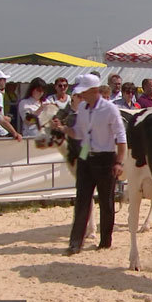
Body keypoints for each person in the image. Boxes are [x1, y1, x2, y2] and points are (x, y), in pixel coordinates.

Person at [52, 74, 127, 255]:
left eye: (83, 92)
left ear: (94, 91)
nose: (80, 96)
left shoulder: (110, 109)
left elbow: (121, 137)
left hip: (105, 158)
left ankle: (105, 241)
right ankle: (75, 242)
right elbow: (78, 133)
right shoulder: (83, 109)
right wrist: (62, 129)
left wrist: (119, 162)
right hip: (86, 155)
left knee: (106, 201)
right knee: (82, 200)